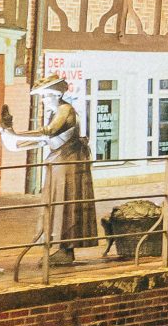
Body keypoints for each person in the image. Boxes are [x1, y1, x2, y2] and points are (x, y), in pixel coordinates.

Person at [6, 77, 99, 257]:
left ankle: (66, 248)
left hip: (68, 163)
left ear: (56, 95)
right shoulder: (56, 111)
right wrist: (16, 144)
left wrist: (15, 134)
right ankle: (60, 245)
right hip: (59, 162)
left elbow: (48, 132)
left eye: (45, 97)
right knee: (57, 203)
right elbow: (45, 139)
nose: (43, 101)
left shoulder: (66, 110)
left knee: (66, 202)